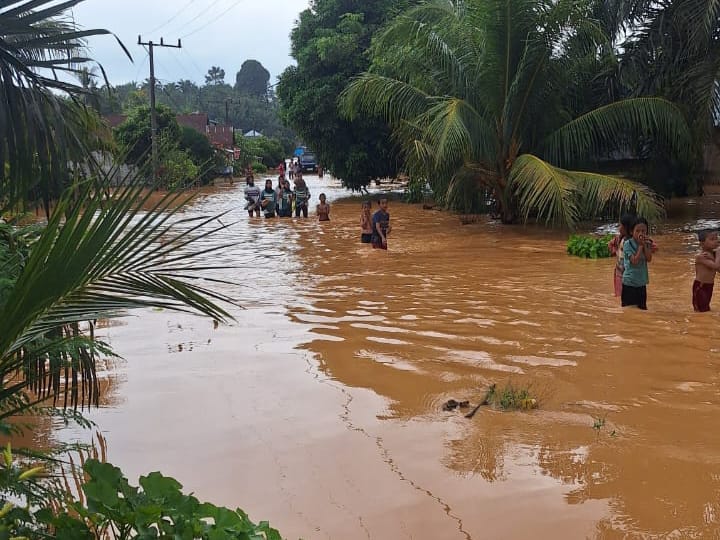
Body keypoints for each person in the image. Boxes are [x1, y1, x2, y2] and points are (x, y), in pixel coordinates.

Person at [622, 217, 653, 310]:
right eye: (638, 231)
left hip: (641, 283)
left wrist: (646, 246)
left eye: (643, 231)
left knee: (642, 310)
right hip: (629, 283)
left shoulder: (646, 243)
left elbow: (649, 259)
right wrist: (640, 246)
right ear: (632, 232)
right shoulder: (628, 244)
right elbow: (634, 261)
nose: (641, 233)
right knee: (629, 310)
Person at [608, 214, 636, 297]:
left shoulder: (634, 241)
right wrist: (614, 251)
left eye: (621, 225)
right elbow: (610, 244)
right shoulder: (619, 238)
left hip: (630, 274)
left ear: (628, 228)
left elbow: (652, 246)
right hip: (619, 272)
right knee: (619, 295)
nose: (619, 228)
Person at [693, 229, 720, 312]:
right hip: (700, 287)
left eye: (717, 239)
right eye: (712, 239)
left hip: (709, 286)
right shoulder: (701, 256)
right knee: (701, 312)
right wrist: (719, 254)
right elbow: (716, 266)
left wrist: (715, 257)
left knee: (706, 310)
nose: (716, 241)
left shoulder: (713, 255)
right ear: (702, 243)